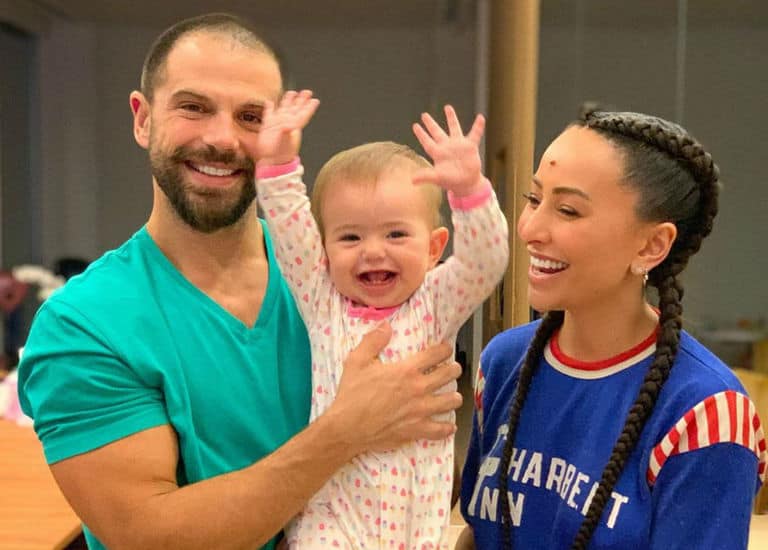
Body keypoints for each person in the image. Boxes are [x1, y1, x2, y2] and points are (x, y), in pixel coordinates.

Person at [16, 13, 463, 550]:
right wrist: (344, 432)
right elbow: (148, 535)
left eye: (251, 117)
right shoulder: (84, 327)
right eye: (193, 107)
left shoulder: (345, 277)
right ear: (142, 119)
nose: (222, 139)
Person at [458, 109, 768, 549]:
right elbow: (477, 534)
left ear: (651, 245)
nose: (530, 229)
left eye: (567, 210)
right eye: (533, 199)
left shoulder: (706, 413)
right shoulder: (503, 362)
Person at [253, 92, 509, 548]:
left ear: (433, 249)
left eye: (395, 233)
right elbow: (290, 225)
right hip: (332, 516)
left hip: (415, 520)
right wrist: (277, 165)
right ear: (324, 253)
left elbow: (485, 262)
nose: (373, 250)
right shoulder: (322, 299)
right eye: (350, 236)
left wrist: (470, 191)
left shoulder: (435, 304)